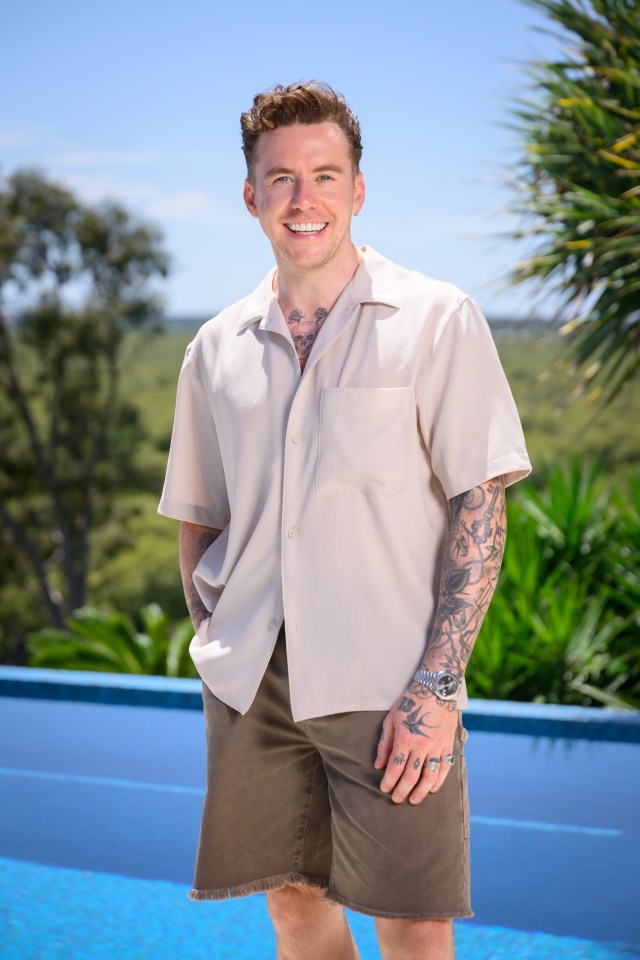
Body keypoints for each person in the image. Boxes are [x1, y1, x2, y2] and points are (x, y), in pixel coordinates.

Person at [158, 81, 531, 960]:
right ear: (250, 196)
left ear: (358, 190)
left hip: (390, 681)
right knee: (291, 904)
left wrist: (438, 691)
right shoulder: (215, 346)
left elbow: (481, 502)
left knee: (411, 917)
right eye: (280, 178)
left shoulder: (438, 319)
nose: (304, 198)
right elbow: (199, 516)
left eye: (325, 175)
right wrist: (220, 645)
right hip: (254, 681)